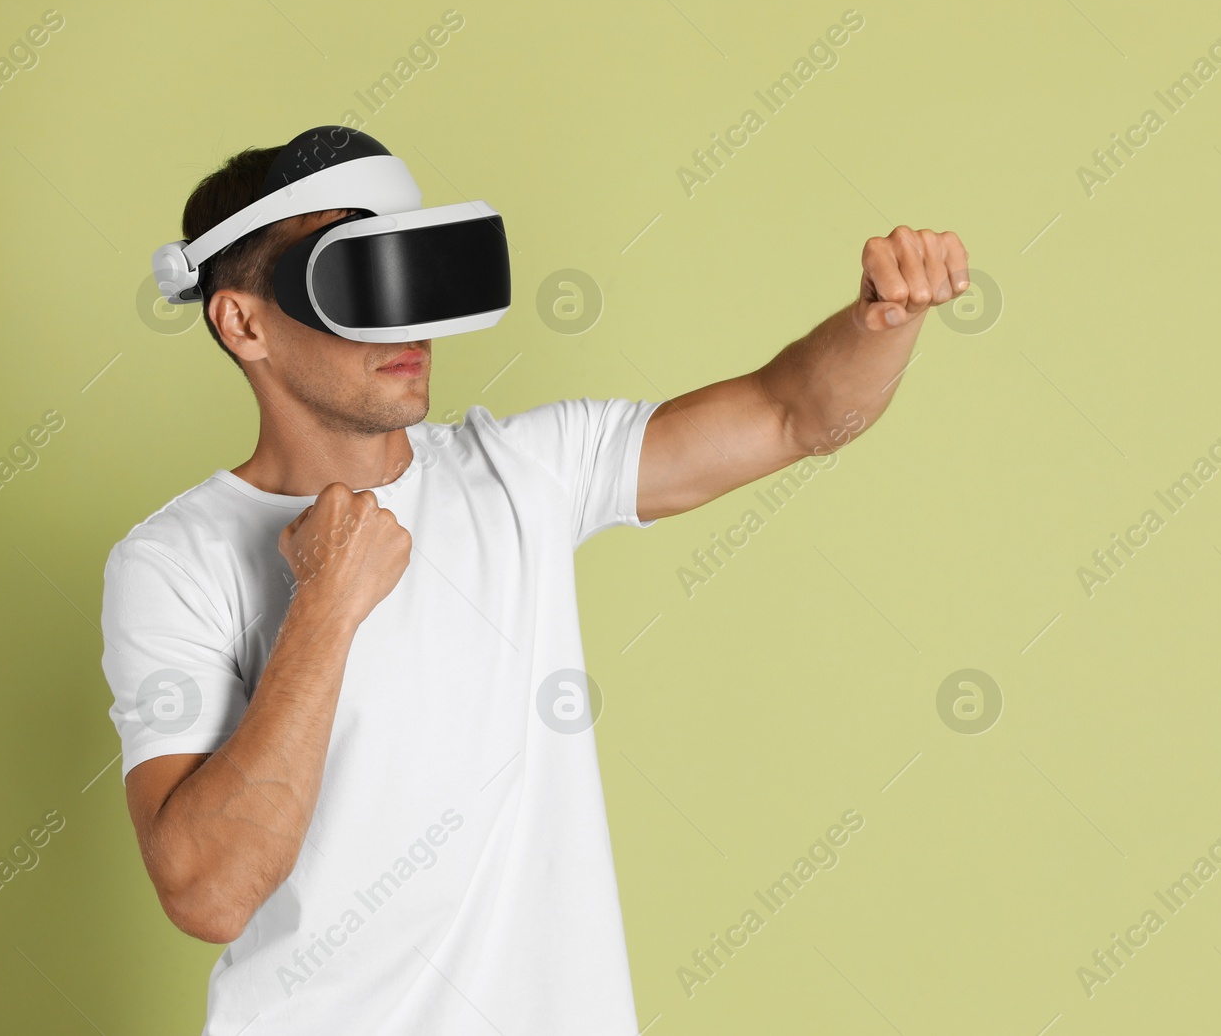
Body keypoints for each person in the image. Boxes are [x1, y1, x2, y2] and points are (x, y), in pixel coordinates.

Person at [101, 129, 969, 1035]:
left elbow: (795, 414)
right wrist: (323, 606)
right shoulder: (175, 561)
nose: (410, 325)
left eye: (416, 270)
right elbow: (208, 893)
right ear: (242, 322)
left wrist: (883, 319)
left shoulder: (525, 470)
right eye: (361, 281)